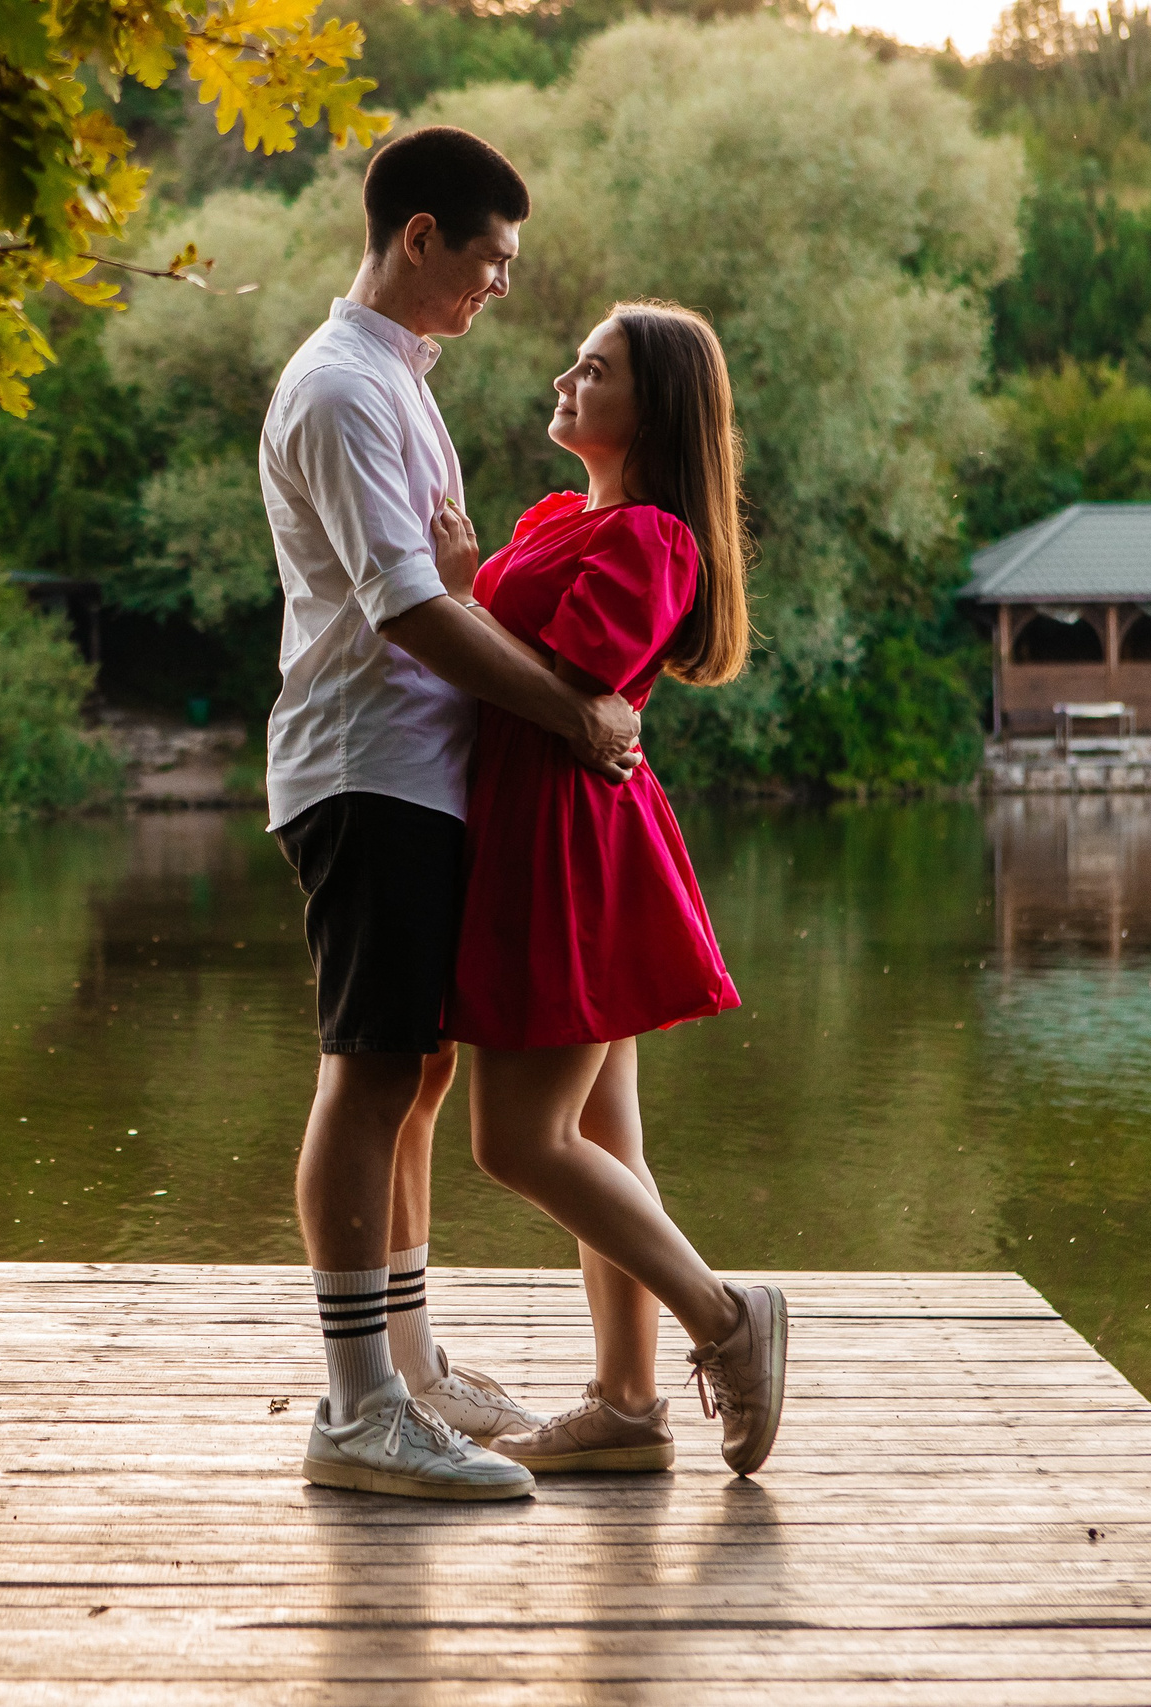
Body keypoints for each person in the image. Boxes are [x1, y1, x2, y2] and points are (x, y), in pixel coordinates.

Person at [262, 126, 645, 1502]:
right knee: (369, 1070)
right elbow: (409, 609)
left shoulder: (399, 381)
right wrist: (575, 708)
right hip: (365, 768)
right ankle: (358, 1408)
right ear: (418, 236)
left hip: (418, 773)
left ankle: (410, 1369)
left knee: (415, 1073)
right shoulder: (343, 391)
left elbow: (450, 583)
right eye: (488, 259)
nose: (498, 288)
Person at [434, 301, 787, 1477]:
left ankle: (726, 1322)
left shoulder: (650, 538)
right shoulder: (554, 518)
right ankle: (630, 1403)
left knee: (516, 1142)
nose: (565, 378)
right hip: (537, 829)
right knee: (597, 1134)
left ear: (655, 409)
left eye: (596, 370)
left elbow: (577, 684)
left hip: (568, 846)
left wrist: (454, 594)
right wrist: (468, 590)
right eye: (574, 360)